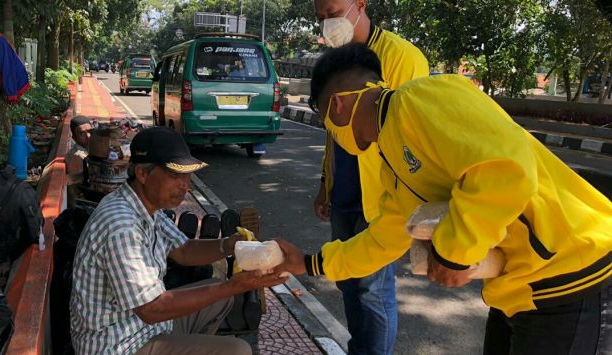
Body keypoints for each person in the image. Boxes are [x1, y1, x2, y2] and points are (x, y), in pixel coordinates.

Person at [276, 43, 612, 355]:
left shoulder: (420, 98)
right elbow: (384, 239)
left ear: (337, 105)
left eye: (325, 122)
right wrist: (308, 263)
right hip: (518, 287)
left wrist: (453, 255)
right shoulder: (391, 158)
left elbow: (504, 169)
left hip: (567, 270)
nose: (332, 135)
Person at [69, 127, 288, 354]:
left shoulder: (146, 207)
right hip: (119, 344)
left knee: (220, 296)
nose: (186, 185)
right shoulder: (121, 225)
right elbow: (151, 309)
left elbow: (184, 250)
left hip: (148, 328)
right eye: (175, 175)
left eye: (187, 176)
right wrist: (233, 285)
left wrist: (229, 245)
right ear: (143, 174)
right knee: (238, 350)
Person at [313, 0, 429, 353]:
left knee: (373, 288)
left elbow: (413, 132)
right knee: (348, 279)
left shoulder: (401, 57)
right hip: (344, 190)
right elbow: (332, 132)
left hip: (380, 194)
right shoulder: (337, 58)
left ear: (359, 5)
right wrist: (325, 183)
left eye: (333, 13)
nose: (328, 24)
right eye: (321, 17)